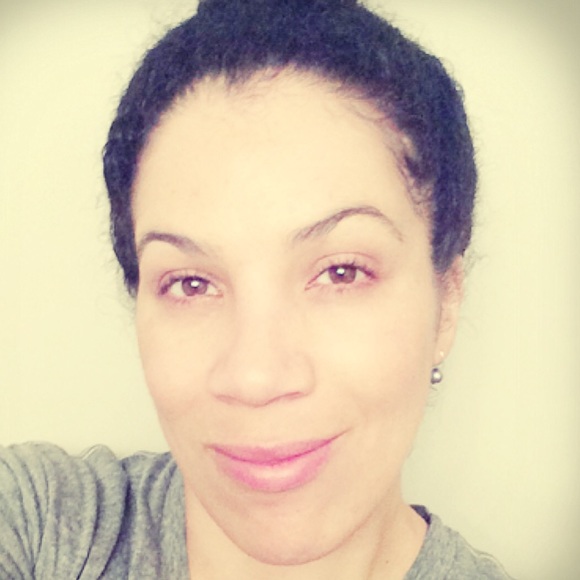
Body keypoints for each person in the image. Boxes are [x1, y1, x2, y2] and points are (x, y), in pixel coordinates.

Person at [0, 0, 513, 577]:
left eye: (341, 273)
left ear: (446, 302)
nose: (256, 378)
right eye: (191, 283)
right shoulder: (41, 528)